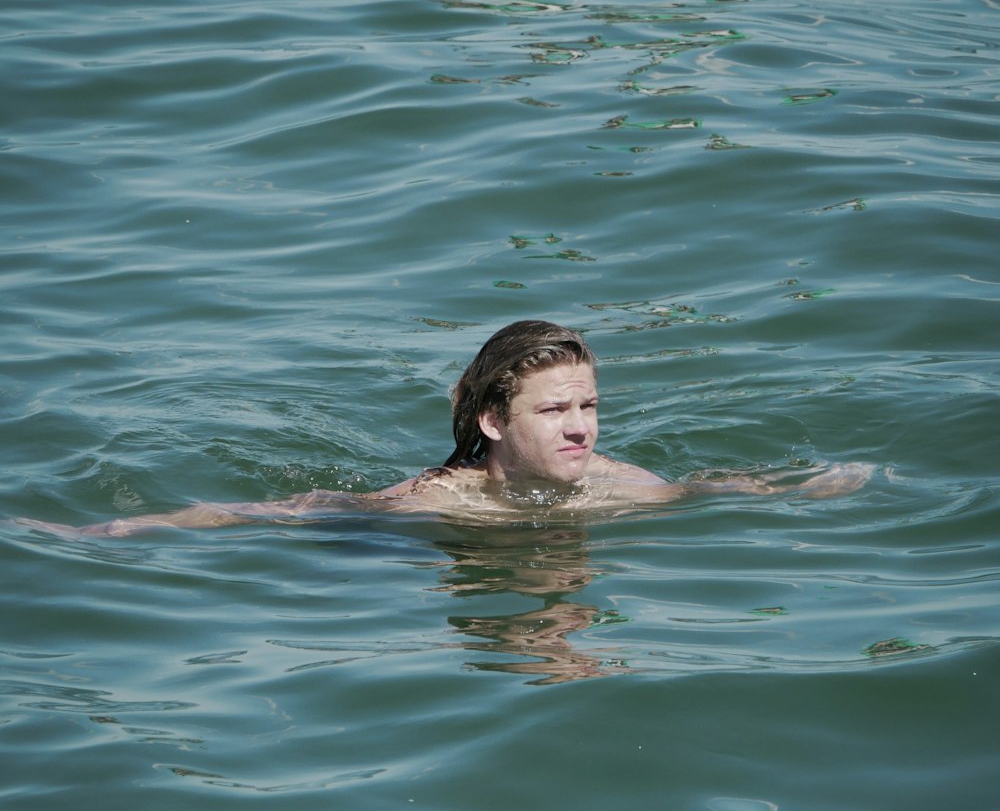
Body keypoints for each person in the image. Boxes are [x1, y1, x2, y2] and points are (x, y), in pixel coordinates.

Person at [16, 319, 873, 536]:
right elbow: (282, 512)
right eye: (556, 410)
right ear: (494, 421)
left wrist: (811, 489)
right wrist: (122, 527)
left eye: (590, 405)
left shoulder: (622, 485)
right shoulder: (434, 505)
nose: (581, 429)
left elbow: (707, 489)